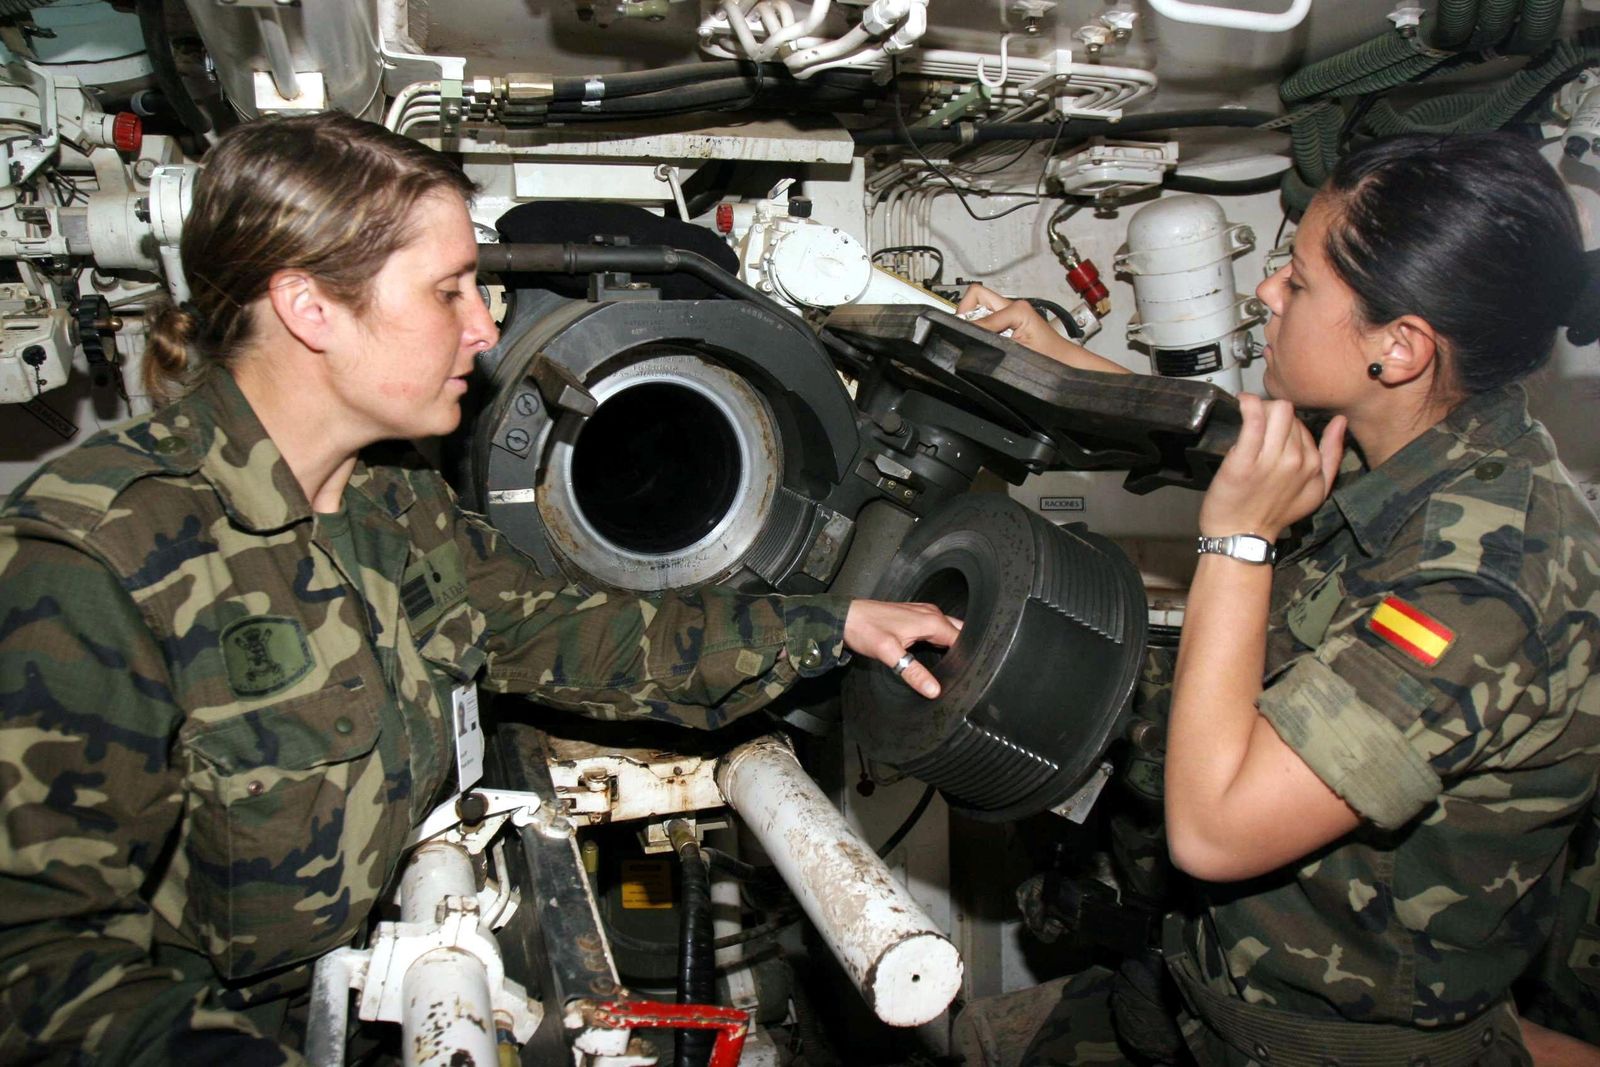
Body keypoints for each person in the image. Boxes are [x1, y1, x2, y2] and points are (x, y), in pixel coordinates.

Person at [0, 111, 960, 1065]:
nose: (485, 325)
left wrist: (831, 626)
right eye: (449, 290)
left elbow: (559, 631)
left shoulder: (387, 495)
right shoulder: (99, 559)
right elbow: (36, 967)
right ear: (311, 308)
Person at [958, 132, 1600, 1065]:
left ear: (1400, 346)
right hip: (1205, 994)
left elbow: (1216, 832)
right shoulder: (1424, 443)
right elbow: (1227, 439)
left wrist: (1238, 540)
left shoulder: (1482, 583)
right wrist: (1056, 360)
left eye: (1297, 282)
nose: (1267, 294)